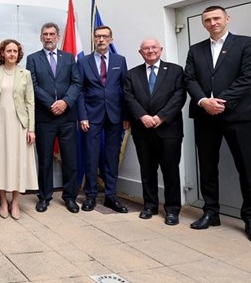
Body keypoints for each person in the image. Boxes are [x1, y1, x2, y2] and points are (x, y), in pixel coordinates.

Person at [184, 5, 251, 245]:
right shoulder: (195, 49)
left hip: (237, 116)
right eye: (207, 20)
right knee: (207, 167)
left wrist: (220, 102)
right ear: (203, 23)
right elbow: (189, 79)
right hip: (205, 117)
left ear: (227, 18)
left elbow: (248, 78)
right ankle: (211, 213)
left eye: (216, 18)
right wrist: (203, 102)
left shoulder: (245, 44)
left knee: (247, 169)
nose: (213, 23)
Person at [124, 38, 186, 225]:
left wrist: (161, 117)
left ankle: (172, 210)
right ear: (140, 52)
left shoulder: (175, 71)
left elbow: (179, 96)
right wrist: (142, 116)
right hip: (143, 130)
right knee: (147, 170)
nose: (150, 51)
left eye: (154, 47)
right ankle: (150, 206)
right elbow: (128, 97)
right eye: (146, 48)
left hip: (169, 130)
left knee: (170, 171)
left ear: (161, 49)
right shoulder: (132, 74)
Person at [26, 22, 82, 213]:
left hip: (67, 117)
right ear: (41, 37)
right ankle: (44, 197)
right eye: (45, 34)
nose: (48, 37)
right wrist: (52, 104)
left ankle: (70, 197)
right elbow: (32, 85)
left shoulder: (69, 58)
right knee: (45, 159)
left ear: (58, 37)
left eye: (52, 34)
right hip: (45, 117)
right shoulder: (33, 59)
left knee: (70, 159)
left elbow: (76, 83)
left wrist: (65, 102)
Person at [77, 25, 130, 213]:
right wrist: (82, 116)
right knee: (91, 156)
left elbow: (125, 89)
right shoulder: (83, 62)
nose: (101, 40)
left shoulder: (119, 60)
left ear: (111, 39)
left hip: (115, 115)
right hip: (91, 116)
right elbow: (79, 90)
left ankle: (110, 196)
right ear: (94, 39)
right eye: (98, 36)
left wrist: (126, 116)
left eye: (105, 36)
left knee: (111, 157)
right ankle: (90, 195)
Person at [0, 39, 38, 220]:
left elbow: (30, 102)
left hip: (19, 125)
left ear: (19, 54)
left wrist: (31, 129)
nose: (12, 54)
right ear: (2, 53)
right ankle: (2, 201)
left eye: (15, 51)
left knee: (18, 162)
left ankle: (15, 202)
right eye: (9, 51)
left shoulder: (25, 74)